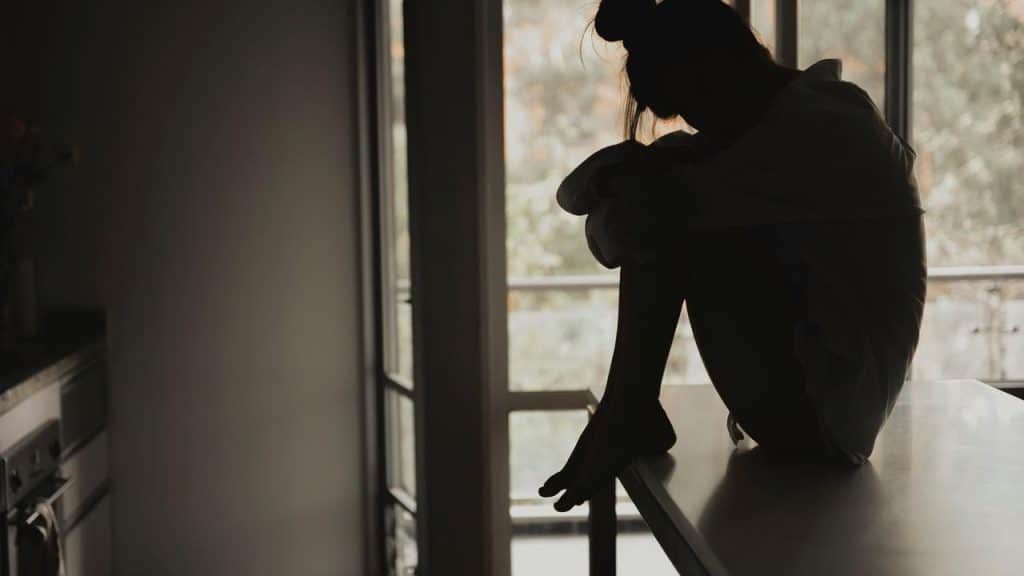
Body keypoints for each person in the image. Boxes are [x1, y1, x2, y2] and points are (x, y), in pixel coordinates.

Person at [539, 0, 927, 513]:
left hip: (820, 415)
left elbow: (622, 225)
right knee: (666, 197)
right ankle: (628, 407)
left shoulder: (813, 131)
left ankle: (628, 408)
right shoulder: (807, 119)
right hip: (822, 405)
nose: (700, 127)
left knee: (665, 203)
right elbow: (588, 206)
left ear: (717, 74)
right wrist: (634, 169)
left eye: (692, 107)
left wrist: (635, 172)